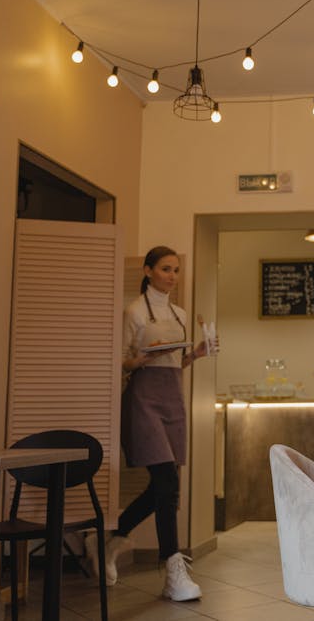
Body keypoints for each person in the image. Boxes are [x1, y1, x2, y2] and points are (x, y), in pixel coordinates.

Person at [85, 245, 215, 601]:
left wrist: (196, 354)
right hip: (143, 398)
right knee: (167, 480)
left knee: (163, 484)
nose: (172, 276)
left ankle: (109, 540)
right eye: (165, 269)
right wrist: (141, 359)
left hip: (172, 396)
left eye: (175, 270)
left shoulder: (181, 313)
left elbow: (176, 363)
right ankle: (172, 568)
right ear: (147, 271)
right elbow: (122, 363)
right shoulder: (134, 311)